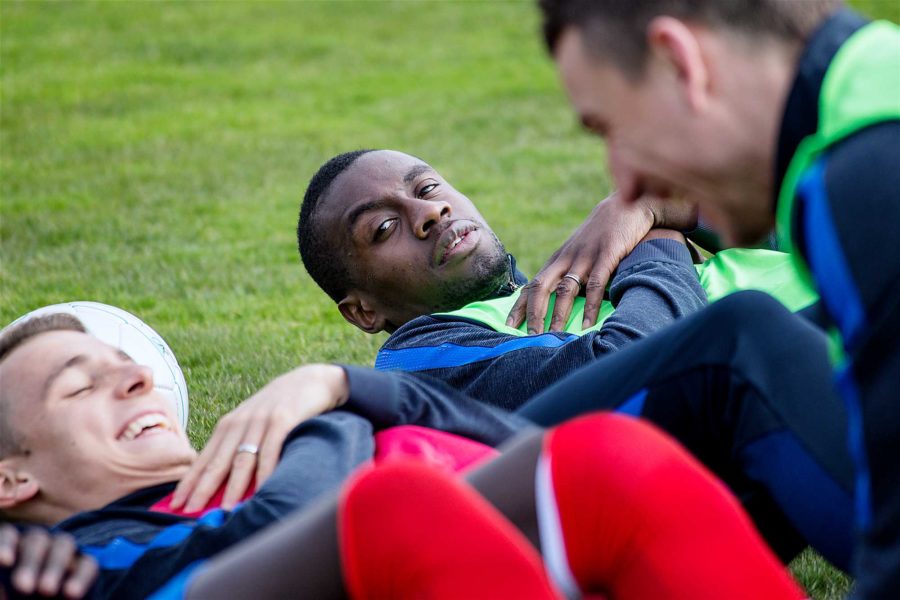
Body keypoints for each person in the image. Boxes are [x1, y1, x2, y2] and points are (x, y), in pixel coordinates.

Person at [0, 313, 807, 599]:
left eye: (127, 365)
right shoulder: (83, 558)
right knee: (398, 510)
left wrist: (331, 382)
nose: (137, 374)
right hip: (396, 543)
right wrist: (329, 418)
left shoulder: (298, 445)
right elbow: (293, 516)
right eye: (82, 386)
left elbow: (526, 450)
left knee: (601, 457)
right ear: (12, 478)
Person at [533, 1, 899, 596]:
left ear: (682, 63)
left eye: (612, 131)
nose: (623, 183)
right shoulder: (869, 98)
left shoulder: (867, 176)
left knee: (738, 349)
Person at [297, 148, 816, 408]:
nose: (429, 212)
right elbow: (635, 372)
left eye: (429, 186)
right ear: (364, 311)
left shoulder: (586, 266)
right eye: (384, 227)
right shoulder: (422, 359)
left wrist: (665, 205)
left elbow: (811, 236)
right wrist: (655, 241)